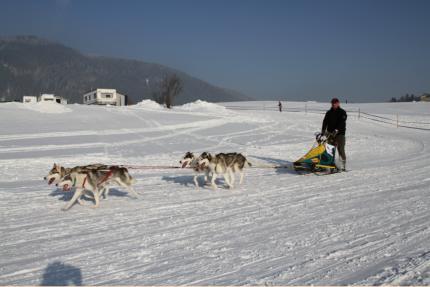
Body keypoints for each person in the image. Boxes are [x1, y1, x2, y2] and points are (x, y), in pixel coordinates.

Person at [321, 98, 347, 171]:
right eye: (332, 103)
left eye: (335, 103)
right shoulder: (329, 112)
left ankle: (342, 165)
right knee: (329, 149)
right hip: (330, 134)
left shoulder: (342, 112)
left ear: (338, 103)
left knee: (340, 149)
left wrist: (337, 130)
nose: (333, 104)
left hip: (340, 134)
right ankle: (329, 163)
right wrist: (323, 131)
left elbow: (342, 122)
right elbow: (325, 122)